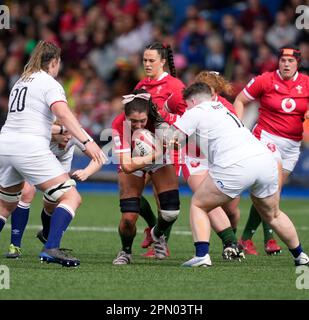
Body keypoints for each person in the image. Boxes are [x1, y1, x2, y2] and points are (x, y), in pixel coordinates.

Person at [171, 82, 309, 267]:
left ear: (193, 101)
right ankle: (300, 255)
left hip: (237, 164)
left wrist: (149, 151)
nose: (185, 109)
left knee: (199, 204)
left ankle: (202, 256)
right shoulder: (222, 107)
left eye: (187, 105)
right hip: (264, 160)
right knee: (273, 215)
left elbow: (172, 140)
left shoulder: (195, 110)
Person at [0, 41, 105, 267]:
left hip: (5, 144)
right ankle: (51, 248)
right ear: (54, 62)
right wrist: (88, 141)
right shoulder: (50, 83)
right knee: (71, 197)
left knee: (4, 206)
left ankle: (43, 244)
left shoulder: (21, 81)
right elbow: (63, 113)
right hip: (28, 147)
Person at [234, 45, 309, 255]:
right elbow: (240, 99)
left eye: (291, 61)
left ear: (298, 64)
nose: (286, 64)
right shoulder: (265, 80)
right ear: (278, 62)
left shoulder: (306, 84)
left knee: (271, 196)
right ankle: (268, 239)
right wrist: (238, 128)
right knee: (271, 191)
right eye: (283, 60)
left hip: (292, 146)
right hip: (266, 139)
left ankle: (247, 239)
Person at [6, 126, 104, 258]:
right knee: (27, 192)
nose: (68, 137)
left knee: (52, 204)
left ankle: (47, 235)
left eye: (70, 132)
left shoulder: (75, 131)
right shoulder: (38, 132)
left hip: (57, 168)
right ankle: (15, 246)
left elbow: (100, 157)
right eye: (64, 133)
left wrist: (87, 172)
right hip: (29, 161)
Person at [112, 89, 180, 265]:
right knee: (128, 219)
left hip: (159, 156)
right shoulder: (118, 125)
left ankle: (156, 234)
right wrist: (153, 155)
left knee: (171, 212)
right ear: (125, 116)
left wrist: (173, 141)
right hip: (136, 158)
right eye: (133, 121)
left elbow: (177, 138)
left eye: (142, 120)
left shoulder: (159, 118)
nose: (139, 125)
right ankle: (126, 252)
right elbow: (127, 166)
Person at [180, 70, 243, 259]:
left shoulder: (226, 108)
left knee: (231, 210)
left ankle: (231, 236)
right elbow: (168, 113)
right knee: (206, 201)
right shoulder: (188, 100)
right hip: (195, 159)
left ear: (216, 92)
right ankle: (231, 244)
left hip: (220, 159)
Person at [134, 42, 187, 257]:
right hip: (144, 147)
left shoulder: (175, 86)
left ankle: (161, 241)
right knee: (131, 195)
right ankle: (153, 228)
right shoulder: (140, 86)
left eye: (151, 60)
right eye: (144, 60)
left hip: (168, 148)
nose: (147, 64)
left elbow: (187, 117)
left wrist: (168, 125)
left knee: (161, 199)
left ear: (162, 61)